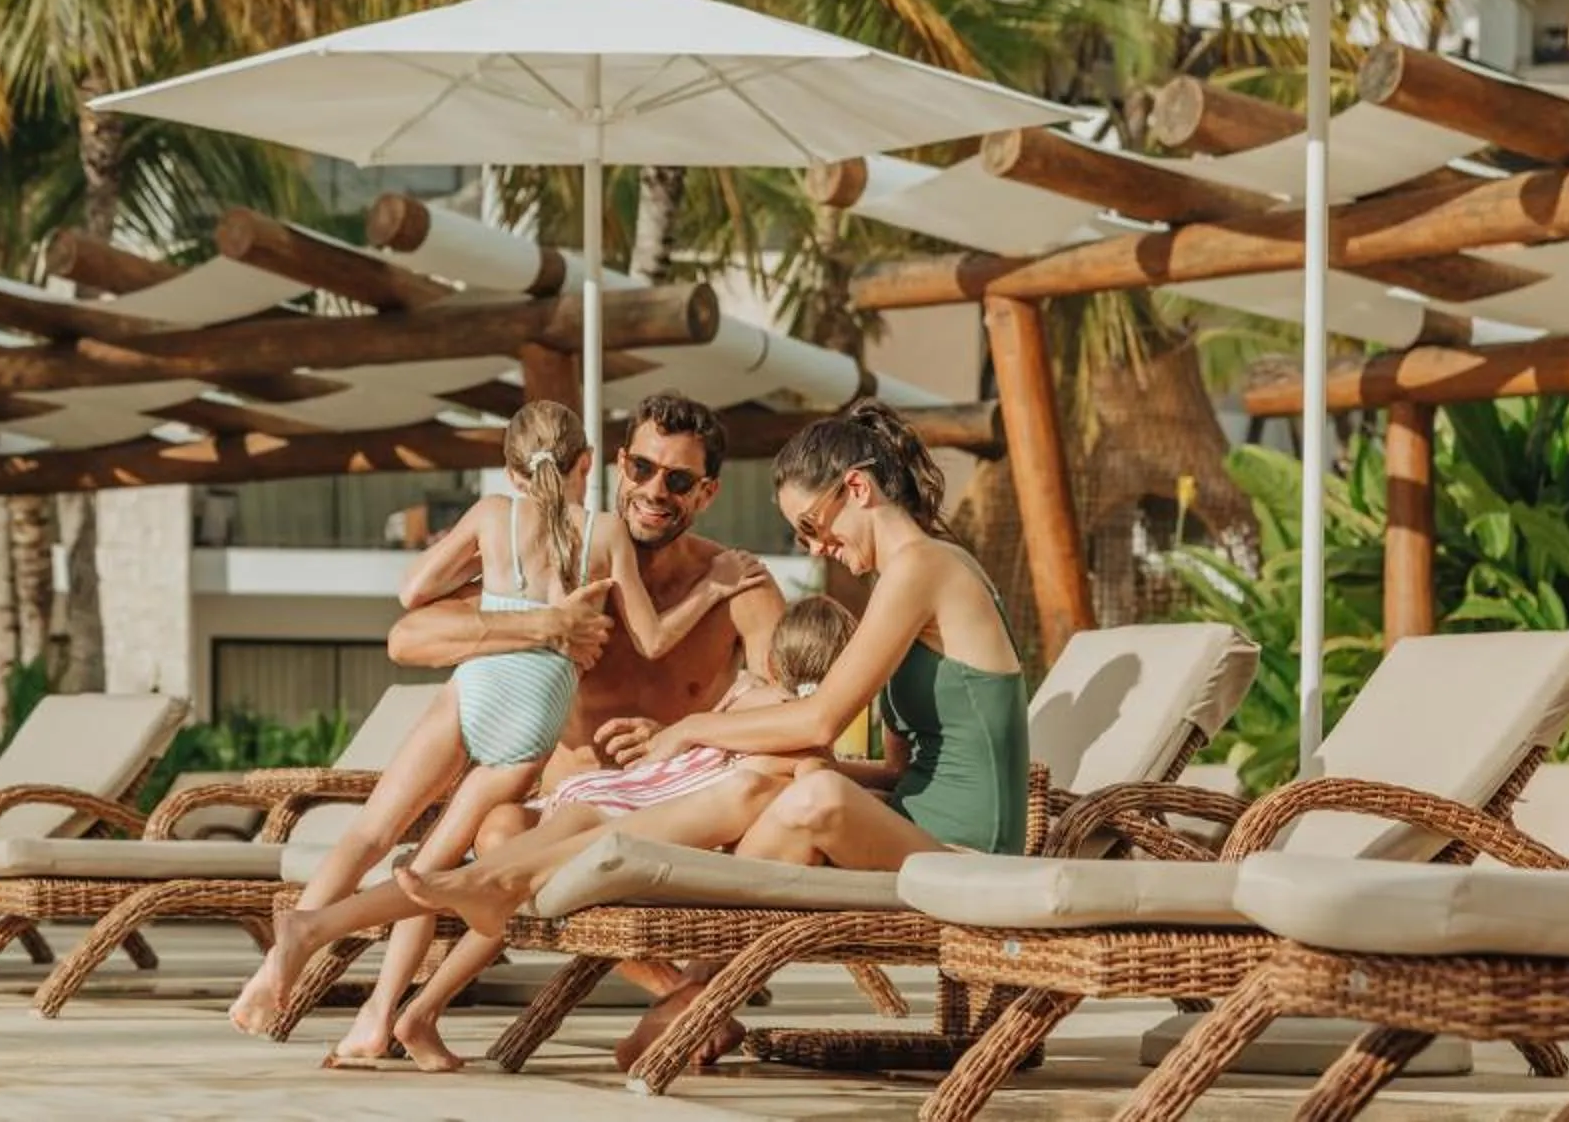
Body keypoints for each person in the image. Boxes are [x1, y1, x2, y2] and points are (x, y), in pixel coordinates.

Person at [242, 399, 1030, 1075]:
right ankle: (662, 983)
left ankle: (647, 970)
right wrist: (746, 758)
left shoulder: (922, 566)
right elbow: (896, 768)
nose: (819, 550)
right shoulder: (906, 580)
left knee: (794, 786)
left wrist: (693, 731)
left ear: (856, 489)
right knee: (772, 785)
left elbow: (821, 720)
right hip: (908, 829)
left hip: (965, 853)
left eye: (814, 527)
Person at [237, 392, 782, 1051]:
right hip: (559, 800)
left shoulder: (737, 585)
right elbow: (408, 636)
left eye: (679, 479)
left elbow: (792, 716)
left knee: (426, 848)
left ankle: (387, 1007)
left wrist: (692, 731)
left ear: (708, 492)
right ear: (611, 464)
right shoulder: (570, 547)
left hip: (670, 817)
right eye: (642, 468)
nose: (654, 489)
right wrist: (542, 625)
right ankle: (393, 1009)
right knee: (481, 838)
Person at [378, 595, 860, 1072]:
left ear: (773, 662)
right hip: (634, 822)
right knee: (506, 881)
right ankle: (412, 1004)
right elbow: (813, 778)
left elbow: (693, 757)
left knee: (502, 876)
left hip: (607, 796)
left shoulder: (742, 698)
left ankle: (397, 993)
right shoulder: (798, 735)